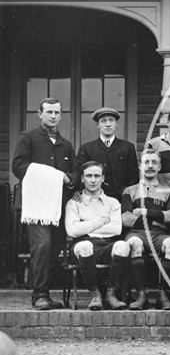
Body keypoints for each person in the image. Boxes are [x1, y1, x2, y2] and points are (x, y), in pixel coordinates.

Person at [12, 97, 80, 310]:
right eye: (49, 112)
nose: (53, 116)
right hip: (36, 205)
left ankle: (45, 294)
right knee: (42, 246)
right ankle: (39, 295)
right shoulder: (28, 138)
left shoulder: (65, 145)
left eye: (57, 113)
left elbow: (75, 172)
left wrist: (69, 178)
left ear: (60, 115)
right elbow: (18, 166)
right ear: (40, 114)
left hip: (57, 206)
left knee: (55, 249)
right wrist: (53, 174)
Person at [64, 161, 128, 311]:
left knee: (123, 246)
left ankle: (110, 294)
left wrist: (85, 226)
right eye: (89, 176)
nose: (93, 180)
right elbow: (72, 231)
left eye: (97, 176)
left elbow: (116, 229)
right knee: (86, 246)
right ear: (82, 178)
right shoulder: (74, 202)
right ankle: (95, 295)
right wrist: (100, 222)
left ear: (103, 178)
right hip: (82, 246)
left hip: (106, 245)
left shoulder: (113, 203)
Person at [121, 150, 170, 310]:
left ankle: (163, 295)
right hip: (137, 233)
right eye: (146, 162)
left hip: (159, 234)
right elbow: (126, 219)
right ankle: (141, 295)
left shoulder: (168, 190)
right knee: (134, 243)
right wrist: (160, 217)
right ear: (140, 166)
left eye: (154, 162)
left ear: (159, 166)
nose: (150, 166)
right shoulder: (130, 191)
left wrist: (145, 212)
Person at [76, 107, 138, 200]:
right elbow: (80, 176)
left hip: (121, 199)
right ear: (98, 125)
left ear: (116, 124)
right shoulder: (86, 148)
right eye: (103, 121)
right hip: (94, 199)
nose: (108, 124)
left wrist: (125, 195)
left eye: (111, 120)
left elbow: (133, 177)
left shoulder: (127, 147)